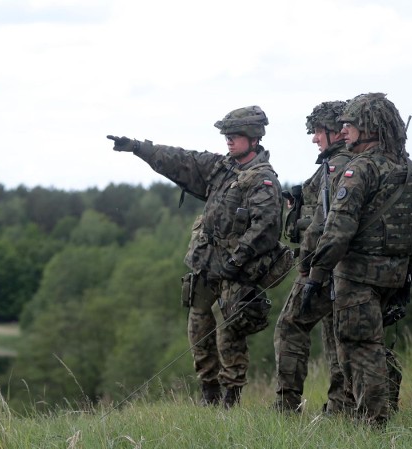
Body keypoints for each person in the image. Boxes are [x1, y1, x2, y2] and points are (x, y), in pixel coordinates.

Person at [107, 106, 282, 408]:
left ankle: (230, 400)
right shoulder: (220, 167)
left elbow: (266, 228)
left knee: (230, 337)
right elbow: (181, 160)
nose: (228, 140)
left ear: (253, 138)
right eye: (226, 135)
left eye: (235, 135)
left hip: (236, 273)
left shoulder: (263, 180)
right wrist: (138, 148)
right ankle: (208, 395)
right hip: (205, 265)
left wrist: (237, 260)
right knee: (198, 332)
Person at [305, 93, 412, 425]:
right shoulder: (410, 169)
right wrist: (408, 277)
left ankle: (373, 425)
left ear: (369, 127)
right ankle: (381, 415)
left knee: (361, 350)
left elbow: (337, 231)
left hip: (358, 278)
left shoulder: (359, 169)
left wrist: (315, 276)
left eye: (350, 124)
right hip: (394, 276)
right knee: (374, 347)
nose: (344, 130)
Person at [273, 101, 354, 413]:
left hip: (323, 266)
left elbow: (325, 223)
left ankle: (286, 405)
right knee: (337, 336)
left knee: (291, 326)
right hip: (339, 267)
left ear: (335, 132)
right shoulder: (343, 165)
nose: (314, 138)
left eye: (318, 131)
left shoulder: (338, 167)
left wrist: (307, 267)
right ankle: (340, 405)